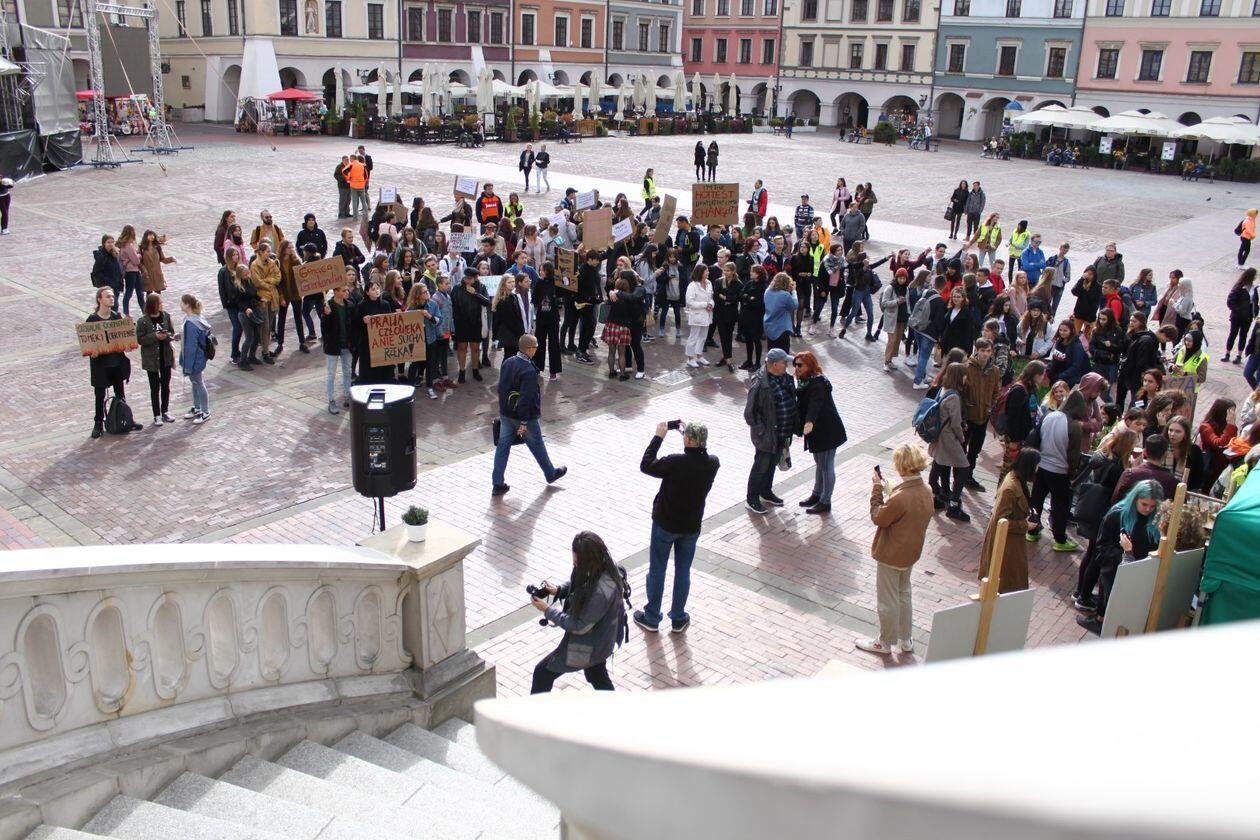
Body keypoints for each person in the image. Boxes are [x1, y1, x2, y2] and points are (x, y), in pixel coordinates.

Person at [632, 421, 721, 634]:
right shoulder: (712, 463)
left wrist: (659, 437)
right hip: (691, 526)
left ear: (687, 439)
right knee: (683, 571)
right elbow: (696, 452)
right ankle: (678, 618)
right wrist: (688, 434)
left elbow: (646, 464)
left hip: (665, 524)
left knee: (657, 569)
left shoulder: (674, 462)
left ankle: (652, 617)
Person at [857, 443, 934, 656]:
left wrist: (877, 489)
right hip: (911, 552)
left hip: (891, 553)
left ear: (902, 465)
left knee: (887, 600)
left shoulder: (901, 497)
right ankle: (905, 639)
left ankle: (885, 642)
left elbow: (879, 517)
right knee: (904, 594)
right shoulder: (926, 490)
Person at [529, 531, 626, 693]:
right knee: (596, 674)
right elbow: (582, 584)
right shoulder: (601, 566)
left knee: (542, 673)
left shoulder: (603, 590)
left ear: (590, 560)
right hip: (601, 640)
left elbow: (579, 625)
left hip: (592, 644)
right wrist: (559, 590)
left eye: (578, 563)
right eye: (574, 562)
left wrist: (547, 610)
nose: (576, 566)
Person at [1075, 481, 1164, 633]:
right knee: (1108, 598)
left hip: (1141, 569)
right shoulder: (1117, 514)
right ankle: (1100, 622)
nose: (1148, 509)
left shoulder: (1156, 518)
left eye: (1152, 506)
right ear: (1135, 498)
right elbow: (1102, 544)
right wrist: (1124, 555)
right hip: (1113, 568)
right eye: (1144, 504)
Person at [492, 334, 568, 496]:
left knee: (503, 447)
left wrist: (503, 409)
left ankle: (497, 483)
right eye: (535, 347)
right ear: (529, 349)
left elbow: (500, 388)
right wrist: (524, 422)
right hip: (524, 416)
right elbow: (526, 398)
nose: (536, 350)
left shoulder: (508, 362)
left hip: (506, 413)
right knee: (537, 444)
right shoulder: (528, 370)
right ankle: (550, 473)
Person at [1028, 390, 1087, 552]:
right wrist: (1073, 474)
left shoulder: (1049, 415)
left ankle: (1032, 531)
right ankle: (1060, 539)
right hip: (1060, 471)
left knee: (1036, 500)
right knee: (1060, 506)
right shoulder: (1074, 427)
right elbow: (1074, 456)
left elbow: (1037, 437)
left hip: (1042, 466)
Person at [793, 351, 847, 514]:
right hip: (817, 431)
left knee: (826, 465)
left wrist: (809, 422)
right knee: (820, 463)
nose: (796, 368)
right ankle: (817, 495)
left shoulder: (818, 383)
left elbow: (815, 405)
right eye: (795, 365)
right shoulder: (804, 382)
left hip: (827, 430)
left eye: (800, 365)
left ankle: (825, 500)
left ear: (809, 365)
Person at [979, 447, 1039, 594]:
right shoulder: (1010, 489)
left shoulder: (1017, 479)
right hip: (1006, 544)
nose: (1037, 470)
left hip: (1012, 541)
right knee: (1006, 584)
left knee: (1011, 583)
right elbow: (1000, 520)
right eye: (1036, 466)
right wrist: (1025, 525)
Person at [744, 348, 796, 514]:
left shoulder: (784, 378)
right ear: (774, 365)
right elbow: (749, 413)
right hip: (767, 435)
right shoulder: (760, 383)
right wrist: (762, 431)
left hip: (782, 433)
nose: (786, 365)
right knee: (761, 466)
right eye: (784, 362)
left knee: (772, 464)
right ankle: (752, 499)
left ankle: (766, 492)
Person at [86, 287, 142, 438]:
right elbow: (88, 344)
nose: (112, 298)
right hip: (101, 365)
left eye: (112, 296)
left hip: (116, 363)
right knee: (99, 395)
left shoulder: (116, 316)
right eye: (108, 296)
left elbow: (124, 339)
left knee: (120, 393)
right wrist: (92, 352)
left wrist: (128, 346)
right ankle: (98, 423)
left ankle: (126, 419)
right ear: (99, 299)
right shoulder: (92, 320)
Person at [928, 362, 971, 522]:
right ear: (959, 377)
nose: (966, 378)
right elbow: (955, 424)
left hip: (938, 436)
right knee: (964, 469)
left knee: (937, 465)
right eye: (964, 375)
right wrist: (961, 438)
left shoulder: (943, 389)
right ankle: (953, 505)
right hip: (948, 439)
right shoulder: (954, 397)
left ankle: (935, 497)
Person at [962, 338, 1000, 490]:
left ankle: (968, 476)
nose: (985, 354)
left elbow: (996, 391)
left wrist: (990, 406)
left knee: (975, 450)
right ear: (976, 350)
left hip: (983, 417)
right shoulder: (967, 367)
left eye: (988, 351)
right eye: (982, 350)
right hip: (968, 416)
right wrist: (966, 406)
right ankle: (959, 477)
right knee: (962, 448)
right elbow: (961, 390)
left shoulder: (994, 370)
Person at [135, 292, 177, 428]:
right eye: (159, 303)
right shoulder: (143, 321)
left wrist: (167, 336)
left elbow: (171, 332)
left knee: (166, 385)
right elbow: (140, 339)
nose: (161, 305)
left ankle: (165, 411)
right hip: (151, 358)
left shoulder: (166, 316)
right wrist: (154, 336)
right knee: (154, 387)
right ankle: (156, 414)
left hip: (165, 355)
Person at [452, 268, 491, 383]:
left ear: (476, 278)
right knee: (462, 347)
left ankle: (475, 370)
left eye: (470, 279)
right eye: (465, 278)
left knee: (475, 348)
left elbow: (487, 302)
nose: (467, 281)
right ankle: (462, 371)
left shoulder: (481, 287)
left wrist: (475, 293)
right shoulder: (458, 287)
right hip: (461, 322)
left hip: (476, 322)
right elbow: (452, 304)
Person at [177, 293, 212, 424]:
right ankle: (197, 407)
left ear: (187, 305)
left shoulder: (190, 323)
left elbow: (190, 347)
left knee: (198, 383)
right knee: (195, 382)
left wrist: (187, 366)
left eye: (182, 302)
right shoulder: (196, 318)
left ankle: (205, 411)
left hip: (194, 358)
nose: (180, 305)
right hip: (200, 356)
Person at [320, 284, 353, 414]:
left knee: (348, 371)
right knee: (331, 374)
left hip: (347, 345)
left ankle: (347, 396)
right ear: (336, 292)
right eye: (344, 290)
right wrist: (326, 315)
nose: (347, 292)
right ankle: (331, 400)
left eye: (347, 290)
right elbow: (324, 330)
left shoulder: (349, 305)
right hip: (333, 346)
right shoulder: (328, 306)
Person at [533, 261, 563, 380]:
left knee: (554, 343)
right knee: (539, 342)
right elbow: (534, 299)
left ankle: (553, 371)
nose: (540, 272)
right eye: (540, 270)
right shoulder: (539, 282)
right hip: (541, 317)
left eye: (543, 270)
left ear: (548, 271)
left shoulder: (556, 282)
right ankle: (537, 367)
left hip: (553, 317)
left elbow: (564, 293)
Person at [684, 266, 713, 368]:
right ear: (700, 273)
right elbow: (689, 302)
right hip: (696, 315)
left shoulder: (709, 283)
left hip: (707, 315)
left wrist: (711, 304)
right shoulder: (692, 286)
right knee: (694, 337)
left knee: (703, 337)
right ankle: (690, 358)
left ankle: (699, 356)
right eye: (706, 271)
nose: (708, 272)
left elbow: (711, 297)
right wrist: (705, 305)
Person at [1226, 268, 1256, 364]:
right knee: (1233, 334)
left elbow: (1255, 302)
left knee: (1243, 335)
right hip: (1237, 316)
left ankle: (1239, 355)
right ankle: (1227, 353)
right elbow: (1230, 301)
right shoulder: (1239, 287)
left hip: (1247, 317)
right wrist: (1238, 310)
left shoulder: (1254, 288)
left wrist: (1255, 312)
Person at [763, 273, 796, 353]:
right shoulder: (785, 295)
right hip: (781, 329)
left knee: (771, 353)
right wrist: (794, 292)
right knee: (783, 354)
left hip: (769, 327)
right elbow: (794, 305)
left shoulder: (767, 291)